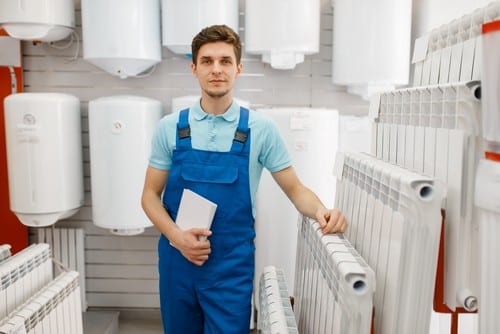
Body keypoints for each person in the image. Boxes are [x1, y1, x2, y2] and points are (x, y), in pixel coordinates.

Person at [141, 24, 347, 334]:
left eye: (225, 61)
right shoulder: (169, 128)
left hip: (229, 269)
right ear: (194, 67)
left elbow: (295, 189)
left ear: (238, 68)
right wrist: (175, 236)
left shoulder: (260, 130)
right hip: (177, 262)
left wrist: (322, 210)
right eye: (207, 61)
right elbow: (149, 196)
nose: (216, 69)